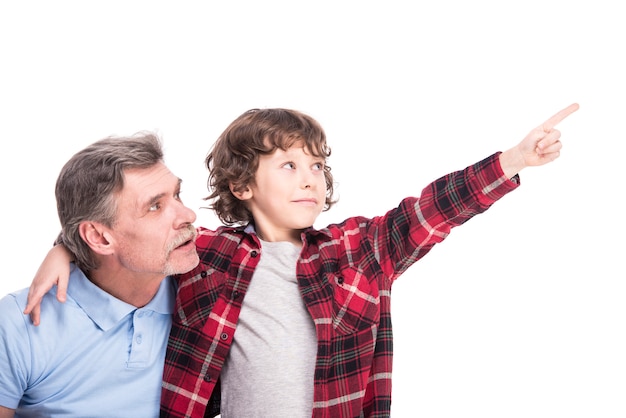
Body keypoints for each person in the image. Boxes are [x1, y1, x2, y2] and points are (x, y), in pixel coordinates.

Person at [25, 103, 579, 418]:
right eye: (288, 165)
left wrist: (511, 161)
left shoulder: (357, 252)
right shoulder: (211, 255)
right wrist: (61, 249)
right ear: (242, 183)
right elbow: (129, 236)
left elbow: (429, 212)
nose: (310, 176)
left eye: (316, 165)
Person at [0, 132, 199, 418]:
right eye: (155, 206)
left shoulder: (209, 295)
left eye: (177, 194)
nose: (189, 215)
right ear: (99, 237)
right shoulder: (19, 323)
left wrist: (63, 248)